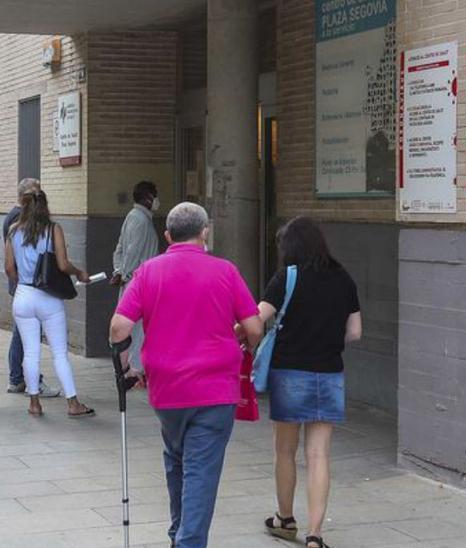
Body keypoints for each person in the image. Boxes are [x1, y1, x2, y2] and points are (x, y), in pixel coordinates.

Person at [109, 202, 264, 548]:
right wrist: (242, 343)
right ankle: (188, 541)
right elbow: (255, 327)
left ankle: (177, 533)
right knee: (200, 471)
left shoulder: (148, 271)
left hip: (166, 390)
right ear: (205, 232)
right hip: (214, 391)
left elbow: (119, 326)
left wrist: (125, 370)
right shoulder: (225, 271)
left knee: (176, 459)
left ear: (167, 236)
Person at [257, 217, 362, 548]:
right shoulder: (343, 278)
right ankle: (315, 535)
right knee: (319, 455)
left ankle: (285, 520)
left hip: (289, 372)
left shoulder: (286, 277)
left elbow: (257, 317)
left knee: (285, 451)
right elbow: (356, 331)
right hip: (329, 373)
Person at [4, 190, 93, 417]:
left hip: (23, 295)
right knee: (59, 353)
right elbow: (62, 265)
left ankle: (34, 403)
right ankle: (73, 403)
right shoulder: (53, 230)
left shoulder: (13, 231)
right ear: (45, 206)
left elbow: (8, 269)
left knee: (30, 353)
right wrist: (79, 272)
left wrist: (22, 283)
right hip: (48, 297)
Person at [2, 178, 58, 397]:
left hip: (22, 285)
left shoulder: (13, 217)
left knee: (22, 334)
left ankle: (18, 378)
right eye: (36, 194)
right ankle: (21, 379)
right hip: (28, 285)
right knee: (26, 337)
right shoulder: (20, 219)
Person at [110, 180, 160, 374]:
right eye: (155, 195)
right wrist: (124, 273)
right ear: (148, 198)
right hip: (139, 282)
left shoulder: (133, 217)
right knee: (138, 328)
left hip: (132, 280)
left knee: (136, 326)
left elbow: (120, 249)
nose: (157, 200)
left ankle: (132, 366)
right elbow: (131, 250)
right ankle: (134, 368)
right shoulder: (140, 220)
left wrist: (119, 272)